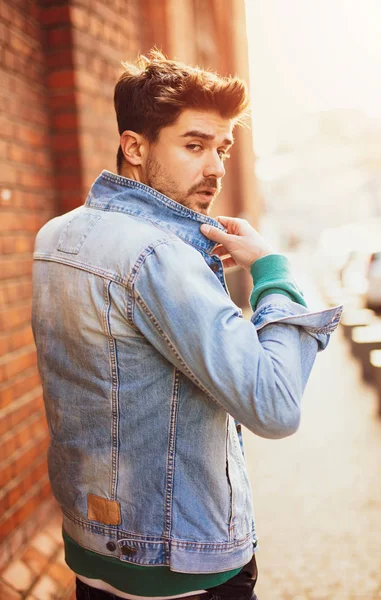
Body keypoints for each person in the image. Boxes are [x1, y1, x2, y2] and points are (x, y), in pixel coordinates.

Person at [32, 50, 342, 600]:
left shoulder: (56, 236)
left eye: (222, 148)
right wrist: (272, 271)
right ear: (134, 147)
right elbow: (274, 405)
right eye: (194, 145)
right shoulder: (158, 256)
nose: (217, 167)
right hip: (181, 567)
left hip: (92, 552)